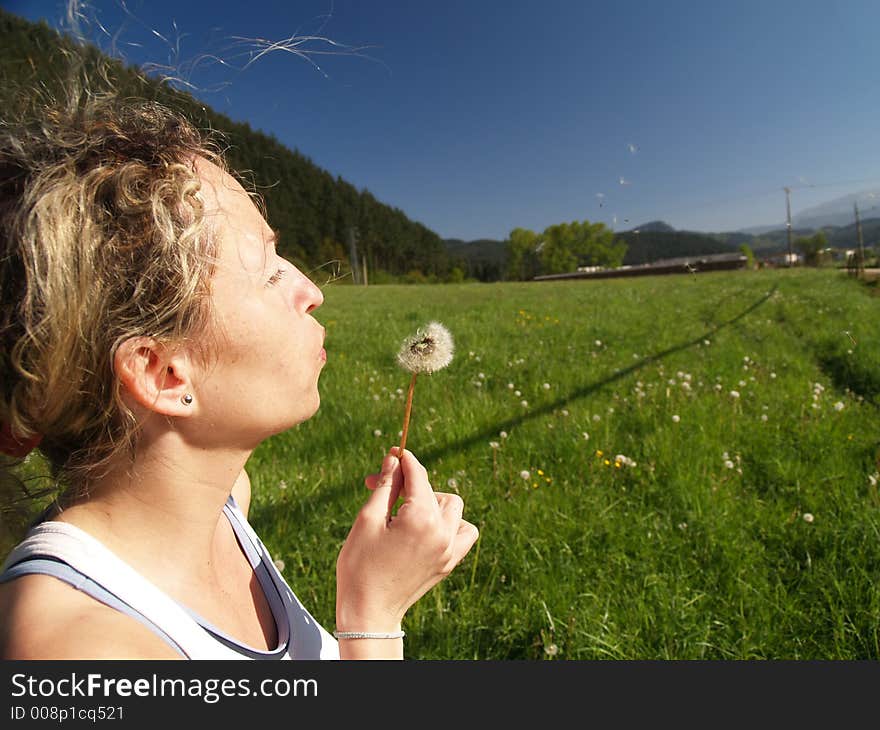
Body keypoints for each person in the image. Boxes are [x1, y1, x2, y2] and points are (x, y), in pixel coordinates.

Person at [0, 93, 479, 659]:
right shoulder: (77, 649)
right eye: (270, 272)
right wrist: (372, 615)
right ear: (163, 373)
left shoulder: (221, 503)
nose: (312, 291)